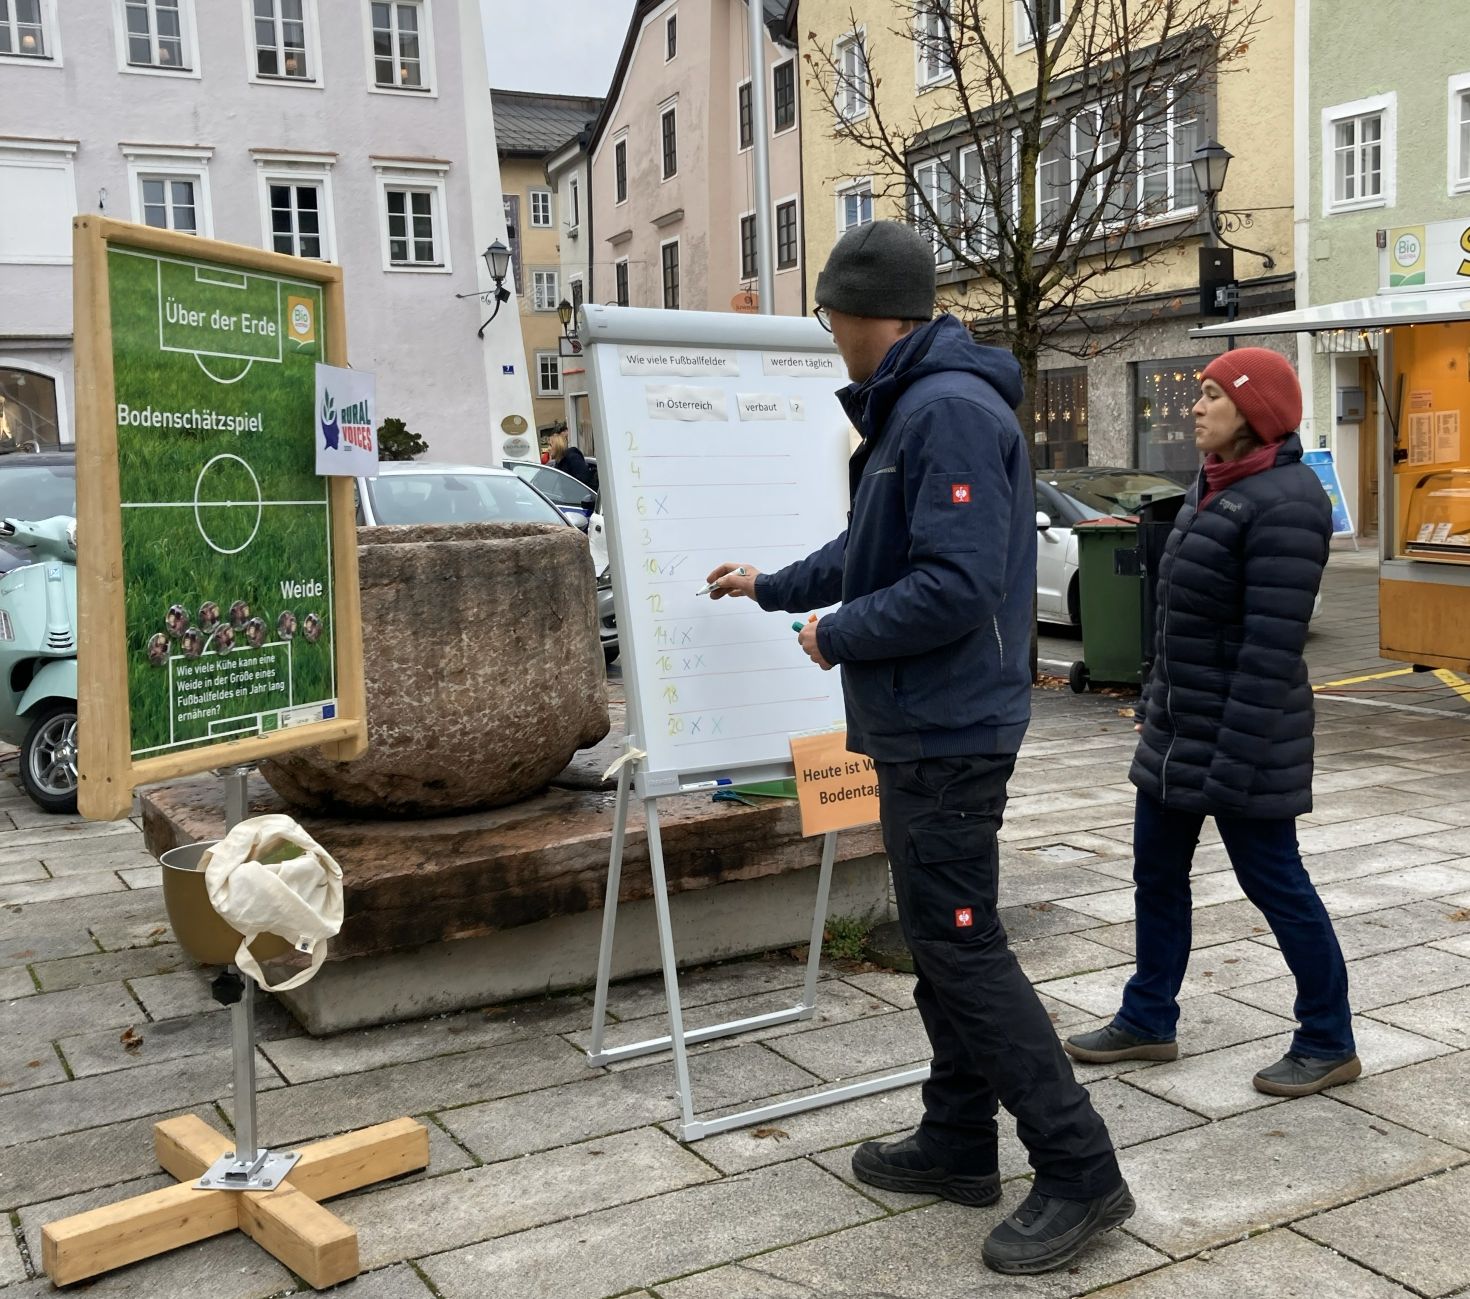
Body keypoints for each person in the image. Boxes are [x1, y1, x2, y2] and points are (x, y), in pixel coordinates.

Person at [705, 220, 1131, 1277]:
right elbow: (872, 548)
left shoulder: (943, 409)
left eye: (830, 319)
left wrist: (837, 633)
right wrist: (772, 585)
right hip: (927, 723)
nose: (831, 338)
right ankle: (957, 1140)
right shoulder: (916, 407)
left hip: (947, 730)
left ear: (867, 314)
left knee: (962, 944)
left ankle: (1080, 1166)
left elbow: (954, 585)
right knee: (945, 943)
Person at [1064, 348, 1359, 1097]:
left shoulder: (1286, 500)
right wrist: (1154, 706)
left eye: (1211, 394)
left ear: (1254, 410)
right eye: (1197, 393)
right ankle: (1147, 1018)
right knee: (1156, 877)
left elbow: (1269, 651)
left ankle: (1328, 1039)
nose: (1194, 407)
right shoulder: (1212, 486)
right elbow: (1177, 621)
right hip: (1178, 732)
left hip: (1243, 740)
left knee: (1277, 885)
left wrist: (1231, 763)